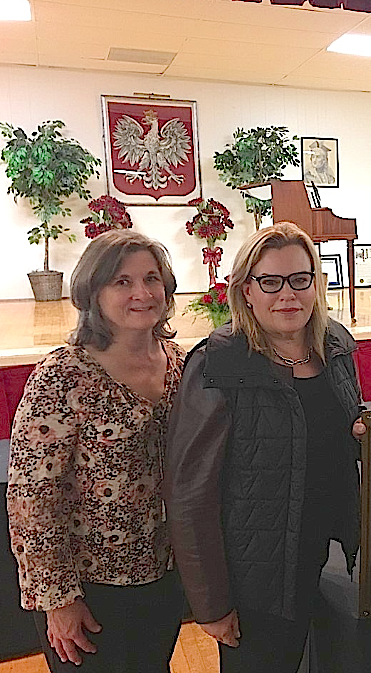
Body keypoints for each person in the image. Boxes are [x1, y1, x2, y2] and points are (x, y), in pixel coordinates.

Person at [164, 222, 371, 672]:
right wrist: (211, 604)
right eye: (270, 282)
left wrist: (365, 423)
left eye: (300, 279)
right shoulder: (220, 361)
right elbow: (190, 493)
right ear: (246, 291)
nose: (287, 295)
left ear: (318, 283)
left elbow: (317, 429)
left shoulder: (333, 346)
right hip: (257, 576)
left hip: (324, 555)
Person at [7, 230, 185, 672]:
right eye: (121, 282)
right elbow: (31, 499)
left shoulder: (182, 365)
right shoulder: (61, 377)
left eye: (151, 279)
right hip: (89, 587)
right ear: (93, 291)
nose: (141, 293)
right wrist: (59, 601)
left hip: (163, 576)